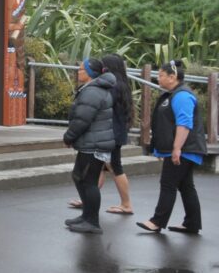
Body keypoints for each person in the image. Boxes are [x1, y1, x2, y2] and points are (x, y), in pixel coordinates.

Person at [137, 60, 206, 234]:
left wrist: (176, 149)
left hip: (184, 149)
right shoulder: (174, 94)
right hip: (185, 148)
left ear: (172, 77)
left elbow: (184, 124)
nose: (158, 78)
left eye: (161, 75)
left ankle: (157, 221)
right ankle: (192, 223)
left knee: (168, 184)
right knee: (186, 186)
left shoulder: (182, 96)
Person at [67, 54, 134, 214]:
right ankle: (87, 200)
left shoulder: (112, 86)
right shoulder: (121, 84)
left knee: (115, 167)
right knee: (101, 168)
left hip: (111, 133)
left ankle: (126, 204)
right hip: (113, 131)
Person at [63, 58, 116, 234]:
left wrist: (69, 137)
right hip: (91, 142)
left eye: (81, 69)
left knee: (89, 182)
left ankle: (92, 221)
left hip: (94, 144)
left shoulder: (92, 91)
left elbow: (82, 119)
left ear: (91, 73)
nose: (78, 72)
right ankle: (86, 215)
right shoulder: (93, 88)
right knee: (79, 177)